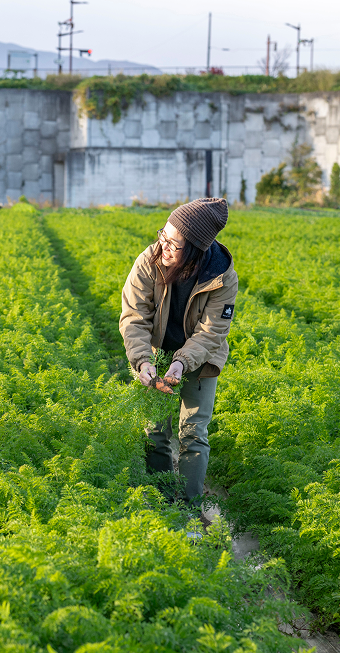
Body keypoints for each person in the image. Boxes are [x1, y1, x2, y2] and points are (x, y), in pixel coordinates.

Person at [119, 197, 237, 507]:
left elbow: (211, 332)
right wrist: (143, 361)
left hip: (200, 357)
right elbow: (134, 316)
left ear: (196, 251)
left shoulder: (222, 277)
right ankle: (160, 501)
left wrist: (182, 363)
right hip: (156, 351)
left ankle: (188, 508)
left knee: (193, 433)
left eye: (174, 243)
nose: (163, 246)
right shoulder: (149, 261)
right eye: (163, 235)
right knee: (155, 430)